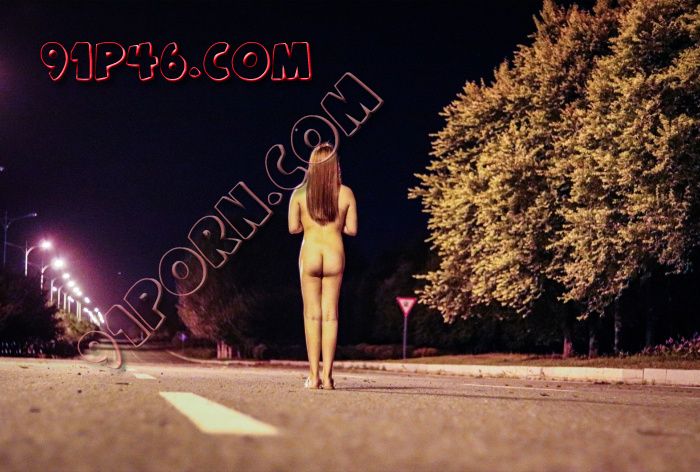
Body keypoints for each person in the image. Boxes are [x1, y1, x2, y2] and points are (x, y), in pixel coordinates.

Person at [288, 143, 357, 390]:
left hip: (310, 254)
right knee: (330, 315)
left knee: (311, 315)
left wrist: (309, 224)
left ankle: (313, 375)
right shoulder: (346, 193)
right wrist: (337, 225)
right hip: (334, 254)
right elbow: (352, 229)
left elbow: (293, 228)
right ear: (335, 167)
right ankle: (328, 377)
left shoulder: (298, 193)